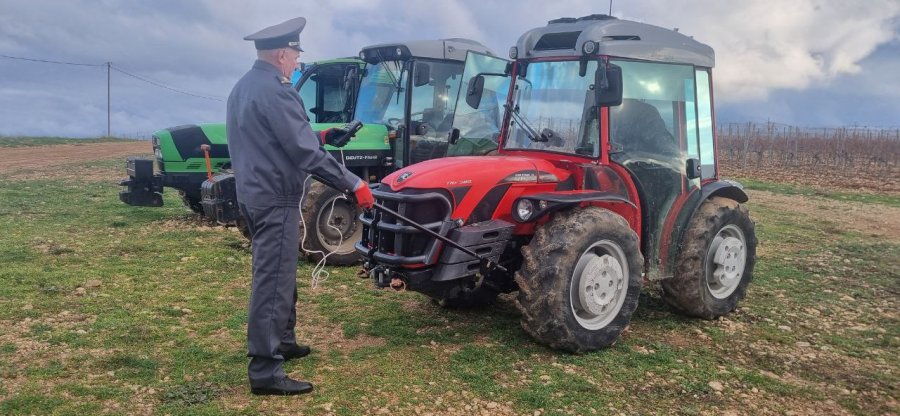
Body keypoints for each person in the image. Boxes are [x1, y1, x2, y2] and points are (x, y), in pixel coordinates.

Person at [226, 17, 375, 396]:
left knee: (281, 270)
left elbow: (278, 135)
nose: (295, 62)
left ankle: (285, 340)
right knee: (273, 279)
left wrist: (325, 134)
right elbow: (304, 152)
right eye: (294, 55)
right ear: (281, 54)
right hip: (274, 196)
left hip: (256, 193)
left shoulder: (245, 87)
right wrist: (353, 182)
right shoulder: (277, 89)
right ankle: (265, 369)